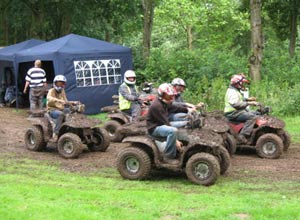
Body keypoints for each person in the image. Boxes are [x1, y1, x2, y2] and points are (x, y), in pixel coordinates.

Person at [147, 83, 191, 164]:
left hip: (162, 123)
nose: (172, 96)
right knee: (172, 131)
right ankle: (168, 156)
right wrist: (176, 141)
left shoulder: (164, 102)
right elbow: (166, 123)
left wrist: (187, 110)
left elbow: (175, 108)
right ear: (162, 94)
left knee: (186, 123)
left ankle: (185, 143)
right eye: (169, 95)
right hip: (154, 128)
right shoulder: (157, 106)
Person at [224, 73, 259, 143]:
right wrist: (249, 103)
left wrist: (248, 99)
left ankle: (252, 131)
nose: (243, 85)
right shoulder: (232, 92)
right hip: (232, 113)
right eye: (242, 83)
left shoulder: (235, 91)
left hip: (237, 112)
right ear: (237, 83)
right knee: (252, 117)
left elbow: (239, 99)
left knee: (256, 113)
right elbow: (236, 104)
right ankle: (242, 136)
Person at [46, 75, 70, 140]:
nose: (60, 85)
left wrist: (72, 103)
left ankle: (69, 128)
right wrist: (58, 100)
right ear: (55, 83)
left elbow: (65, 100)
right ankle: (56, 132)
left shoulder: (62, 91)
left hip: (61, 109)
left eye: (62, 84)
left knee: (70, 112)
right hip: (52, 110)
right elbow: (49, 98)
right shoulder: (51, 90)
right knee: (61, 114)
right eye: (59, 83)